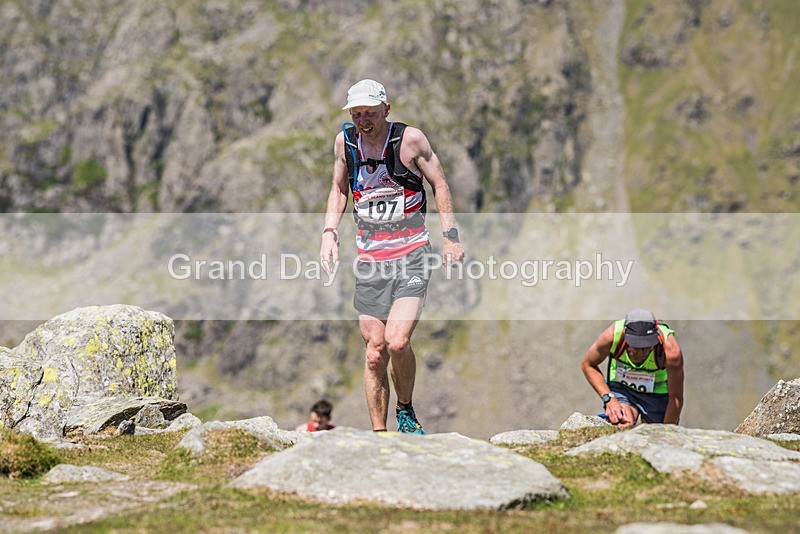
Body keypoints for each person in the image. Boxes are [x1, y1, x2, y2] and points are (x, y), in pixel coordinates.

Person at [319, 79, 465, 434]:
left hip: (412, 253)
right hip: (370, 260)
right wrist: (329, 235)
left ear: (386, 109)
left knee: (398, 343)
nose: (363, 121)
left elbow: (439, 183)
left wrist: (450, 237)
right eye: (356, 115)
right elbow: (339, 188)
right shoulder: (346, 143)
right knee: (374, 353)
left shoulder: (410, 140)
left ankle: (405, 410)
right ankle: (380, 436)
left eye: (370, 113)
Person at [580, 308, 684, 428]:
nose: (642, 352)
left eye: (648, 345)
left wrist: (667, 432)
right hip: (623, 389)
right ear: (626, 336)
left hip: (658, 395)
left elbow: (676, 398)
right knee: (621, 424)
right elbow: (588, 365)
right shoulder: (612, 336)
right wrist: (609, 399)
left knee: (654, 434)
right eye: (636, 346)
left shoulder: (671, 351)